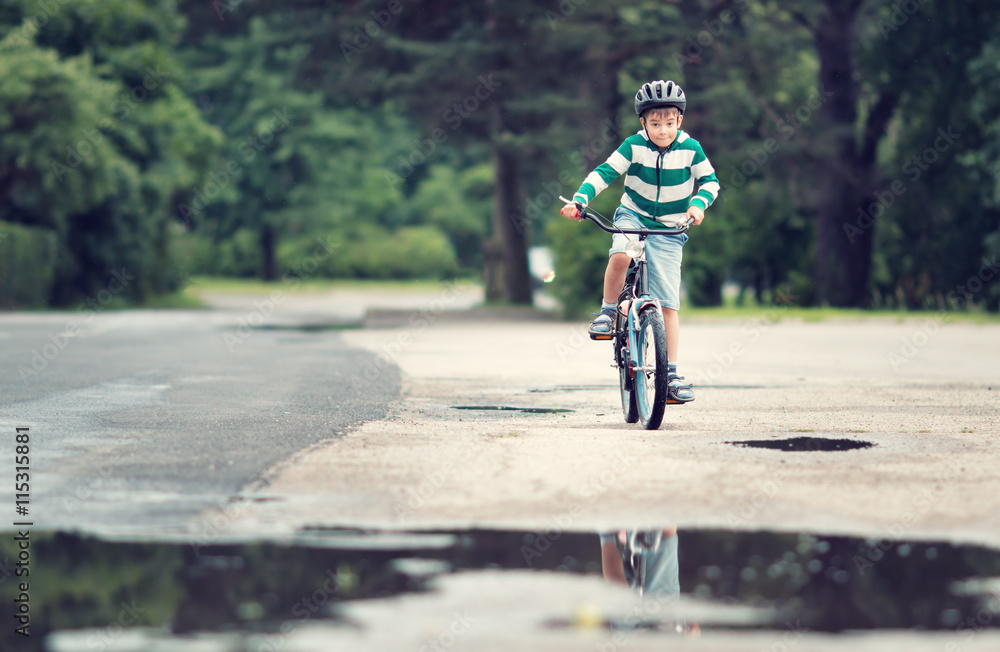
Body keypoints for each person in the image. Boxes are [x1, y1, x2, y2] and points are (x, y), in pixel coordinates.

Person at [560, 79, 719, 403]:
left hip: (672, 226)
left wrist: (698, 205)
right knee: (620, 254)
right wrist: (580, 200)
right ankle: (606, 312)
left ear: (680, 121)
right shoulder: (633, 146)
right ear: (643, 123)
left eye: (670, 123)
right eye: (655, 123)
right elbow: (605, 173)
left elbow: (710, 181)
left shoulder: (691, 148)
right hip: (633, 216)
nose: (663, 130)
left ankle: (671, 374)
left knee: (669, 305)